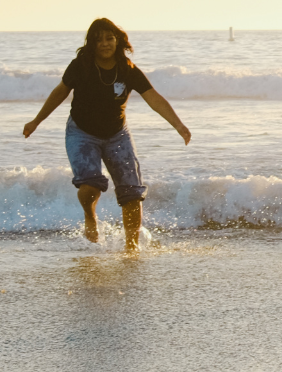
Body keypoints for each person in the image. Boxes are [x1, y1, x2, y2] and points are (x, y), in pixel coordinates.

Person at [22, 18, 191, 251]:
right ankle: (90, 217)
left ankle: (131, 248)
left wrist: (178, 125)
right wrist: (36, 121)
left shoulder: (127, 69)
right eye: (99, 39)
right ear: (92, 43)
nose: (105, 44)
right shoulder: (81, 66)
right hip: (82, 133)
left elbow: (153, 97)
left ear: (117, 40)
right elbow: (60, 92)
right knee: (90, 185)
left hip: (118, 134)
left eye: (109, 38)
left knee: (132, 192)